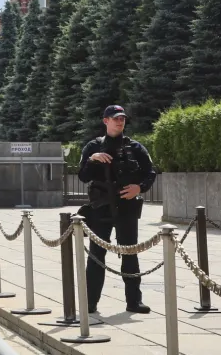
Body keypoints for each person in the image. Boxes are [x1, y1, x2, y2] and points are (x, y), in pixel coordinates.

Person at [78, 105, 157, 314]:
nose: (120, 122)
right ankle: (90, 303)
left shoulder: (135, 147)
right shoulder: (93, 146)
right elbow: (83, 176)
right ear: (106, 121)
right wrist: (92, 158)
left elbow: (150, 172)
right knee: (96, 255)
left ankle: (134, 301)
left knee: (130, 253)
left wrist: (139, 187)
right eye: (115, 119)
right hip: (100, 207)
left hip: (127, 207)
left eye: (122, 119)